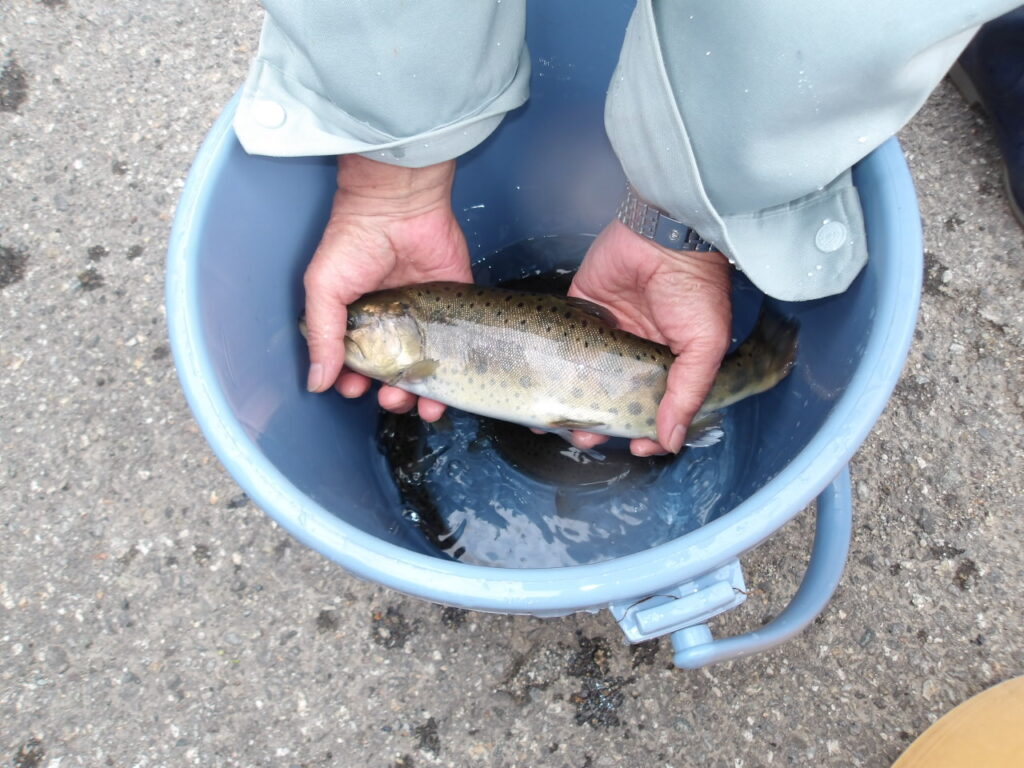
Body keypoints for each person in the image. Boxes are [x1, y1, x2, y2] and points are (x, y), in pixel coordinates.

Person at [233, 0, 1020, 456]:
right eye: (363, 326)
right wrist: (390, 170)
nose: (349, 329)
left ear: (408, 327)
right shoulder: (422, 350)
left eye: (365, 323)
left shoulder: (419, 356)